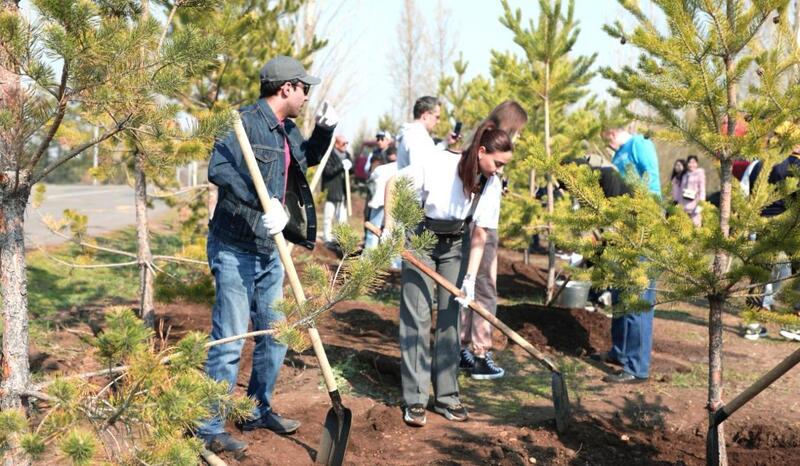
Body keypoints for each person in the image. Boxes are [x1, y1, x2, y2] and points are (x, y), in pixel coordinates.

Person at [199, 55, 338, 455]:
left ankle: (255, 410)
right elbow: (219, 169)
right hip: (234, 248)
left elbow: (305, 158)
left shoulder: (288, 130)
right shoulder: (241, 123)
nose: (308, 95)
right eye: (304, 88)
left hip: (269, 250)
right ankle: (208, 426)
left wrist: (324, 131)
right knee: (229, 341)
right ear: (286, 89)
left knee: (276, 337)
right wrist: (264, 204)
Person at [383, 120, 514, 427]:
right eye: (497, 162)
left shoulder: (490, 183)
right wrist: (390, 228)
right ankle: (415, 400)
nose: (499, 170)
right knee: (417, 318)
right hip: (421, 240)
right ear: (481, 152)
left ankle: (447, 396)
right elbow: (394, 184)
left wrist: (469, 280)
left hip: (456, 244)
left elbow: (480, 234)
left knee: (450, 319)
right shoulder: (439, 164)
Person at [459, 101, 529, 380]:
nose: (519, 138)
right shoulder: (488, 159)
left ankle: (461, 348)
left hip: (466, 226)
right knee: (484, 288)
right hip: (480, 229)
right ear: (507, 128)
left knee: (465, 286)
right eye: (518, 132)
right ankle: (479, 353)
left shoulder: (475, 149)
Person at [591, 125, 660, 384]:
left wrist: (638, 212)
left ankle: (636, 367)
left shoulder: (639, 144)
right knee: (621, 293)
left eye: (606, 134)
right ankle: (620, 352)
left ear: (615, 129)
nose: (606, 141)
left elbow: (650, 181)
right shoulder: (620, 152)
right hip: (622, 226)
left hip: (641, 224)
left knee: (637, 297)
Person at [396, 96, 450, 169]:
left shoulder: (414, 134)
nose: (438, 121)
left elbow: (430, 155)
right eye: (437, 117)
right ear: (426, 116)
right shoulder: (417, 136)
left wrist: (446, 142)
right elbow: (421, 171)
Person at [364, 145, 398, 253]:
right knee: (395, 231)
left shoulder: (380, 169)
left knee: (373, 232)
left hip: (378, 201)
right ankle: (394, 261)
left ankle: (369, 257)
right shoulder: (402, 168)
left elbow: (370, 183)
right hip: (390, 202)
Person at [321, 135, 352, 245]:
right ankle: (327, 238)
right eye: (343, 143)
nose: (345, 145)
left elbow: (351, 171)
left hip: (343, 191)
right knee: (328, 216)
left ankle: (340, 240)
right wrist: (340, 165)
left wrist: (350, 167)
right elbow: (327, 171)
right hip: (331, 190)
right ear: (336, 144)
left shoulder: (347, 155)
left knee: (342, 218)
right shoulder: (329, 155)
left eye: (347, 143)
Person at [679, 155, 706, 227]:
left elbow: (702, 191)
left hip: (695, 208)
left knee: (696, 228)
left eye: (694, 162)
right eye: (689, 162)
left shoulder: (700, 174)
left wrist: (700, 205)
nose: (691, 165)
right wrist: (679, 205)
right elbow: (680, 191)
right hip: (684, 207)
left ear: (697, 164)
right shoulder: (684, 175)